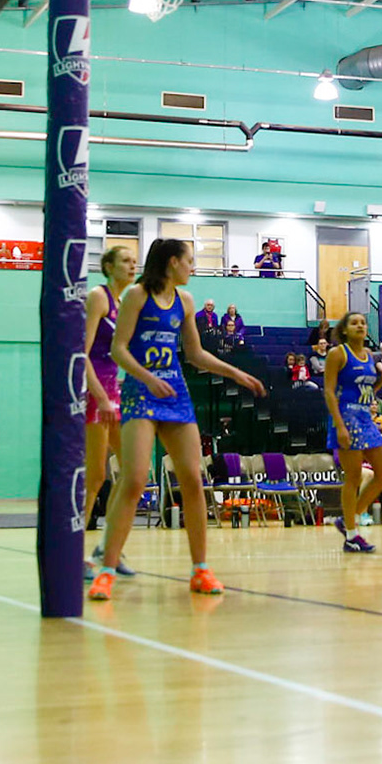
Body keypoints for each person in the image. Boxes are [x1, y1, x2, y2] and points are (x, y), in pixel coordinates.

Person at [90, 239, 266, 601]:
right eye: (189, 261)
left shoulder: (185, 302)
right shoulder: (138, 296)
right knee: (135, 478)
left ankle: (200, 569)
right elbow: (117, 349)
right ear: (172, 263)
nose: (192, 267)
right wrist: (148, 377)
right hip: (142, 392)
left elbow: (196, 353)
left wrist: (235, 373)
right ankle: (106, 569)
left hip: (176, 394)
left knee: (192, 479)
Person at [324, 310, 382, 552]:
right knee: (352, 477)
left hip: (365, 417)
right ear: (344, 329)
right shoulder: (337, 353)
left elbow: (367, 391)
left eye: (363, 323)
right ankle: (352, 535)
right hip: (346, 418)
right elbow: (329, 391)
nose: (360, 326)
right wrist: (339, 425)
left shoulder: (369, 355)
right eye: (354, 323)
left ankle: (348, 519)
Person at [82, 246, 134, 560]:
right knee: (96, 475)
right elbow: (80, 353)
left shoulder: (124, 302)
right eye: (125, 261)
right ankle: (74, 553)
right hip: (94, 394)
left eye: (133, 261)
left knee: (132, 471)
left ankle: (107, 547)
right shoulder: (98, 297)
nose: (132, 265)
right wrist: (100, 396)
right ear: (108, 266)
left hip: (113, 391)